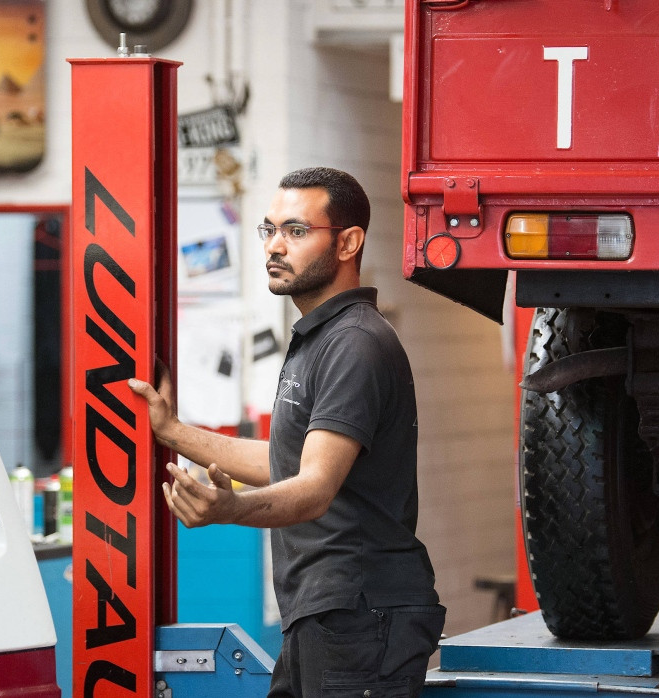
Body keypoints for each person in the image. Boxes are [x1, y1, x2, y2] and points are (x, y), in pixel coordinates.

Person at [129, 166, 445, 697]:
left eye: (296, 231)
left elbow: (314, 487)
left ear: (349, 242)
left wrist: (232, 510)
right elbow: (285, 462)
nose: (275, 246)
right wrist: (173, 431)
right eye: (269, 229)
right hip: (325, 613)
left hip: (360, 615)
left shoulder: (355, 344)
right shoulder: (317, 339)